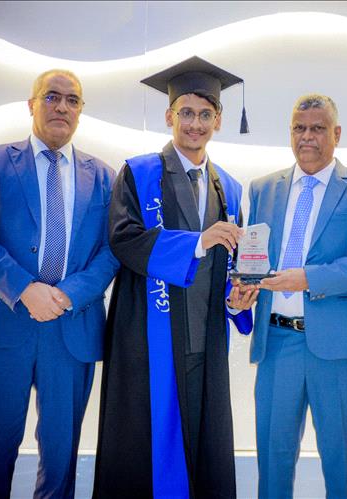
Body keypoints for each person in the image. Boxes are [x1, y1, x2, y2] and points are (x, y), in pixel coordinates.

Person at [93, 56, 256, 498]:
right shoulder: (139, 173)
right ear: (169, 117)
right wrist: (198, 242)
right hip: (149, 339)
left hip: (204, 341)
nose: (195, 124)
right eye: (186, 112)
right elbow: (124, 240)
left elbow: (228, 268)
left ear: (218, 120)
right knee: (143, 452)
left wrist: (235, 299)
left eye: (205, 114)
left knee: (204, 446)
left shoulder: (230, 188)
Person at [0, 69, 119, 498]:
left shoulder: (104, 176)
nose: (62, 106)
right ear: (31, 105)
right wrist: (26, 290)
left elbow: (111, 250)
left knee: (61, 457)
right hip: (2, 324)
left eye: (72, 100)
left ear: (80, 111)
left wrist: (66, 295)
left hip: (70, 328)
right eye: (51, 96)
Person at [243, 94, 347, 498]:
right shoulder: (262, 189)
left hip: (339, 349)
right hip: (276, 345)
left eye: (318, 128)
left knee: (341, 467)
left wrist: (308, 278)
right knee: (272, 465)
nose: (307, 136)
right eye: (299, 128)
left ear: (336, 134)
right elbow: (252, 260)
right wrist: (241, 292)